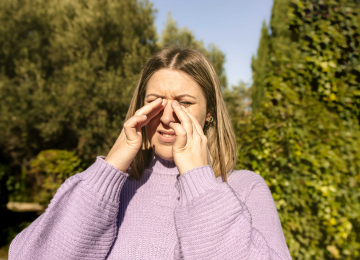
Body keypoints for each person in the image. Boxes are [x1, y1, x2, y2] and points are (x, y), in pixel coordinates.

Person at [9, 47, 292, 260]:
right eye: (154, 101)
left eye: (184, 103)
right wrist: (111, 167)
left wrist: (199, 181)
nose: (167, 116)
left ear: (209, 114)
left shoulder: (245, 188)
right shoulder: (111, 190)